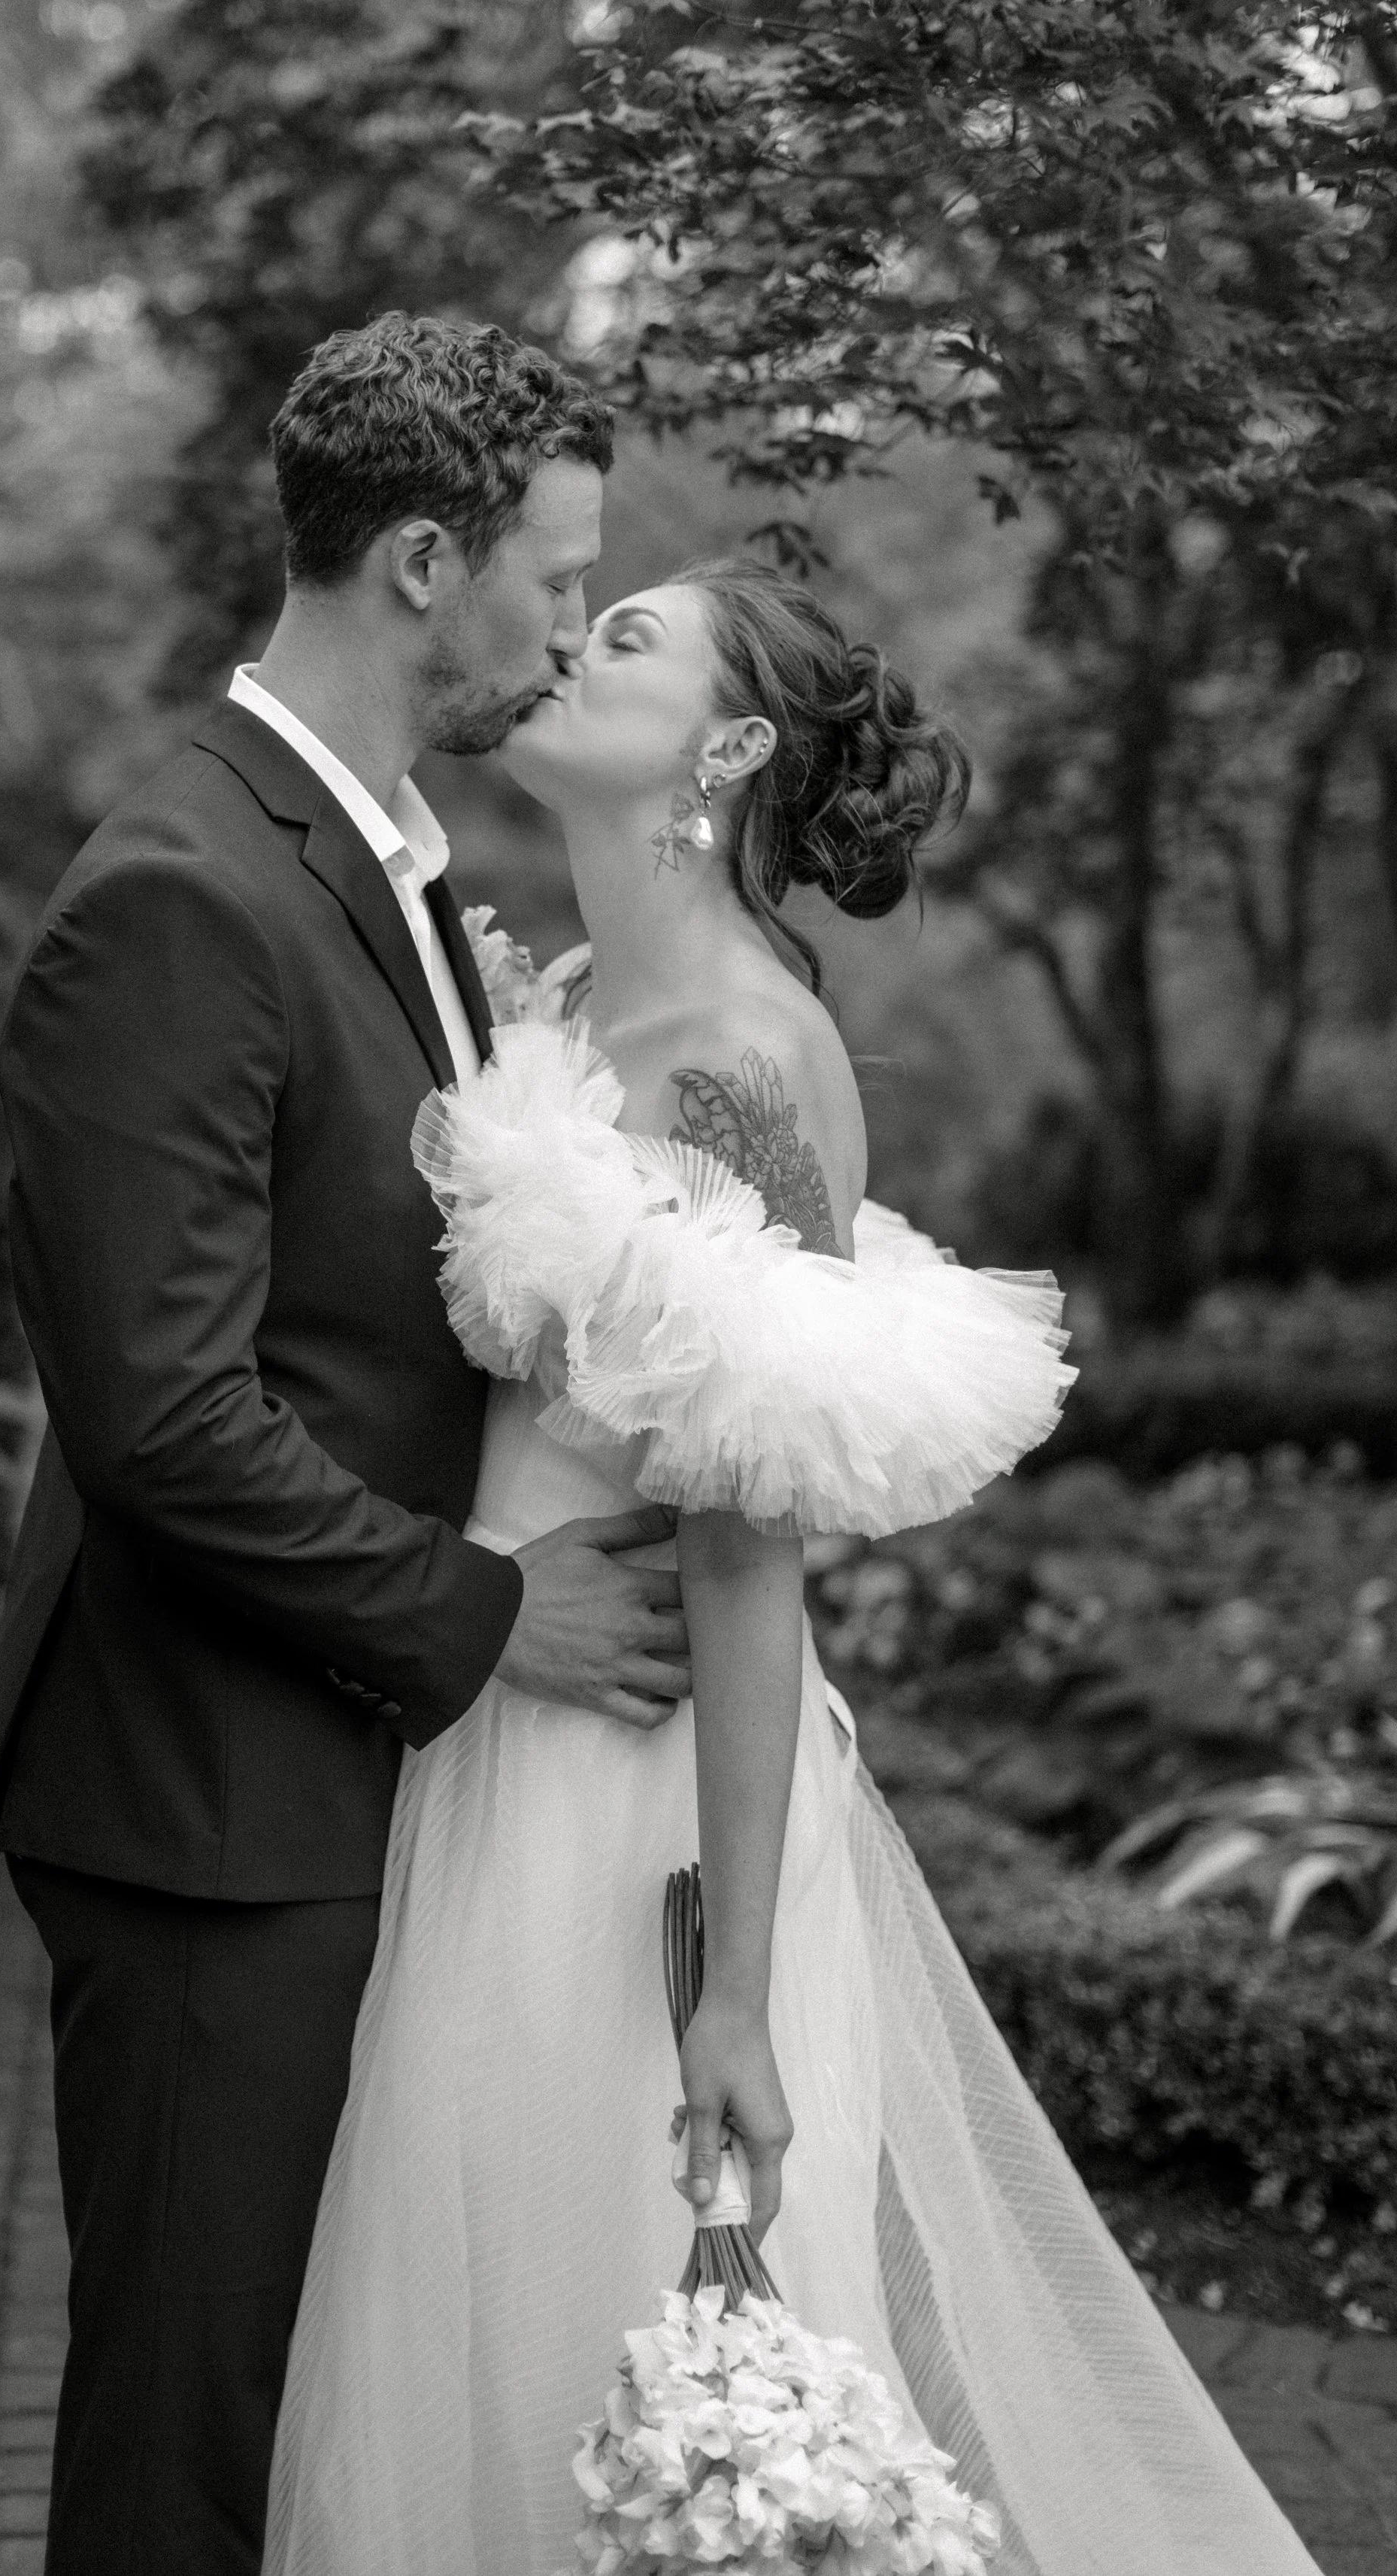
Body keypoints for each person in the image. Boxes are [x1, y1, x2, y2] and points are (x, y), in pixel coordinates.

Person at [264, 563, 1322, 2576]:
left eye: (630, 639)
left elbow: (750, 1556)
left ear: (727, 746)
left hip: (632, 1803)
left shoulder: (758, 1056)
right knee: (452, 2315)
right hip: (485, 1718)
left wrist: (731, 1988)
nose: (569, 642)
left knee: (617, 2316)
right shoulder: (566, 1002)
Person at [0, 314, 696, 2576]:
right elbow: (165, 1417)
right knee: (191, 2439)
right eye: (553, 577)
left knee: (299, 2427)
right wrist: (495, 1611)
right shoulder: (182, 890)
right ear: (415, 561)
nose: (569, 625)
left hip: (319, 1774)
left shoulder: (373, 860)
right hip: (206, 1803)